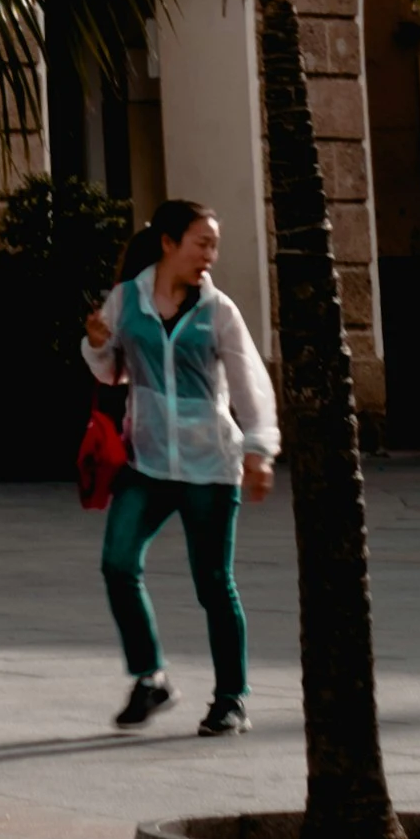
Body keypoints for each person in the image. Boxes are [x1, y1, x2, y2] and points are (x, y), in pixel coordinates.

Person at [84, 192, 278, 737]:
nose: (210, 254)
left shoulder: (219, 311)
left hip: (209, 465)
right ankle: (150, 678)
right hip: (146, 461)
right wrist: (97, 345)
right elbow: (110, 373)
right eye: (201, 243)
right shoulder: (127, 300)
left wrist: (260, 450)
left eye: (214, 245)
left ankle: (231, 699)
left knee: (214, 584)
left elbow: (249, 384)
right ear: (169, 243)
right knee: (118, 563)